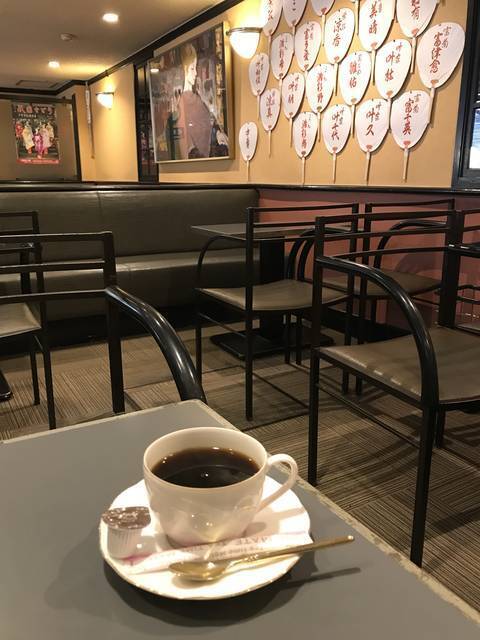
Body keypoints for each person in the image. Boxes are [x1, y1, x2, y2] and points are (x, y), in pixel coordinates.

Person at [171, 42, 228, 159]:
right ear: (184, 70)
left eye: (195, 68)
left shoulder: (196, 97)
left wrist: (217, 133)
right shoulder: (182, 102)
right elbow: (185, 137)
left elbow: (206, 123)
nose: (195, 73)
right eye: (192, 68)